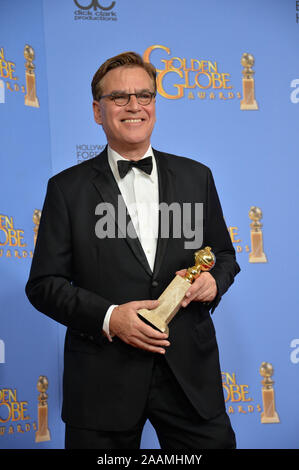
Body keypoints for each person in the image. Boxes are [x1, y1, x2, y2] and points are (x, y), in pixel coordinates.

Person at [26, 51, 240, 449]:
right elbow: (43, 284)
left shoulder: (197, 177)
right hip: (103, 380)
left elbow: (224, 256)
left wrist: (213, 282)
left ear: (155, 105)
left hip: (189, 378)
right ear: (97, 110)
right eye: (119, 97)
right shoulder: (66, 189)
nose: (134, 106)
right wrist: (109, 318)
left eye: (144, 95)